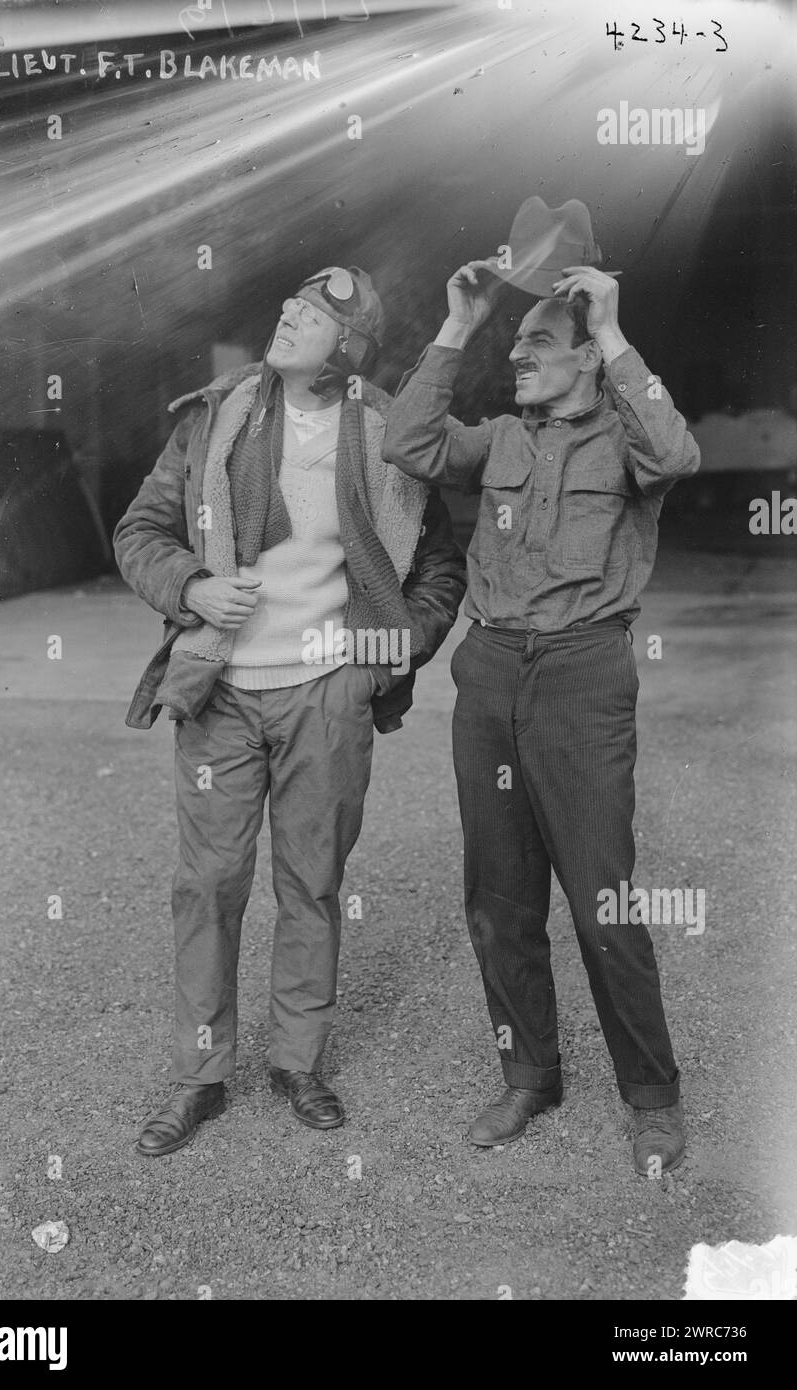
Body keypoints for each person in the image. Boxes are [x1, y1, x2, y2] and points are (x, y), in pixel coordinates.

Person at [114, 266, 466, 1156]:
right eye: (287, 306)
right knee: (208, 884)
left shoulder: (393, 434)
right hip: (220, 688)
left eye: (308, 315)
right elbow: (138, 534)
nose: (286, 317)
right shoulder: (214, 417)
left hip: (327, 697)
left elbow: (438, 573)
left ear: (347, 345)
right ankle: (200, 1077)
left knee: (311, 883)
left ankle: (297, 1061)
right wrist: (193, 586)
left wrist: (379, 658)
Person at [381, 259, 700, 1175]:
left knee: (602, 897)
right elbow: (408, 441)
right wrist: (457, 326)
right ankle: (530, 1073)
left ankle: (651, 1098)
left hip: (580, 673)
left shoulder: (627, 439)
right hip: (488, 672)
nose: (516, 356)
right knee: (497, 896)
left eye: (539, 344)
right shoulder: (500, 440)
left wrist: (608, 328)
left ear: (586, 361)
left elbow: (676, 456)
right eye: (515, 343)